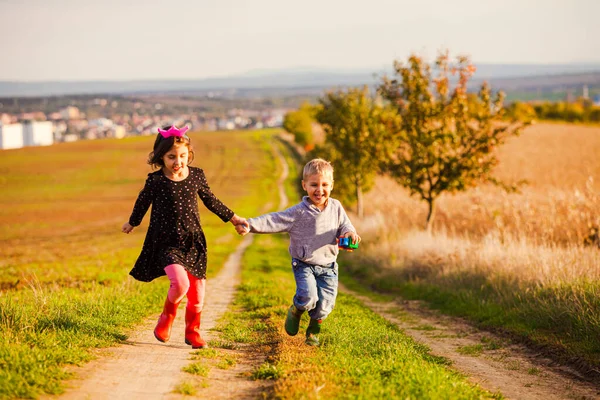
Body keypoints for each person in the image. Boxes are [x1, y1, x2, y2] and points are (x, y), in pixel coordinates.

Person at [122, 125, 247, 349]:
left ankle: (193, 331)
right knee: (180, 285)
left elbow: (211, 201)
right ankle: (166, 318)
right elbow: (142, 203)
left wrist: (233, 218)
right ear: (161, 157)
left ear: (189, 154)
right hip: (166, 243)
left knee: (197, 295)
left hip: (193, 242)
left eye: (182, 156)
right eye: (171, 157)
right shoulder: (156, 181)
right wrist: (133, 222)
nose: (178, 161)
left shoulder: (196, 176)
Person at [236, 158, 360, 346]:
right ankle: (296, 310)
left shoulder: (336, 207)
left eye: (325, 184)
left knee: (325, 304)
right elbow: (274, 220)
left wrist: (350, 233)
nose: (319, 189)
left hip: (329, 266)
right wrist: (250, 224)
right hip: (304, 264)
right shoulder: (298, 212)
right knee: (307, 297)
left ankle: (313, 331)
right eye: (314, 184)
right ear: (304, 185)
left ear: (332, 185)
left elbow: (345, 225)